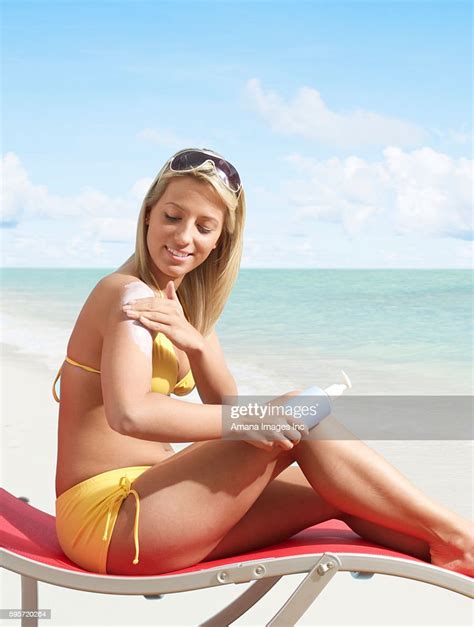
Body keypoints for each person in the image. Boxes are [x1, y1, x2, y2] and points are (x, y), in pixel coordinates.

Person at [53, 147, 473, 577]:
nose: (183, 237)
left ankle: (450, 558)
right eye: (172, 217)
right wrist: (257, 418)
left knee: (339, 488)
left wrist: (196, 346)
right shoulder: (127, 295)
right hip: (112, 520)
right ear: (148, 216)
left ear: (220, 240)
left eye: (204, 227)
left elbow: (227, 407)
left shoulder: (181, 306)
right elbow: (130, 413)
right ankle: (463, 541)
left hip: (158, 506)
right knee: (301, 414)